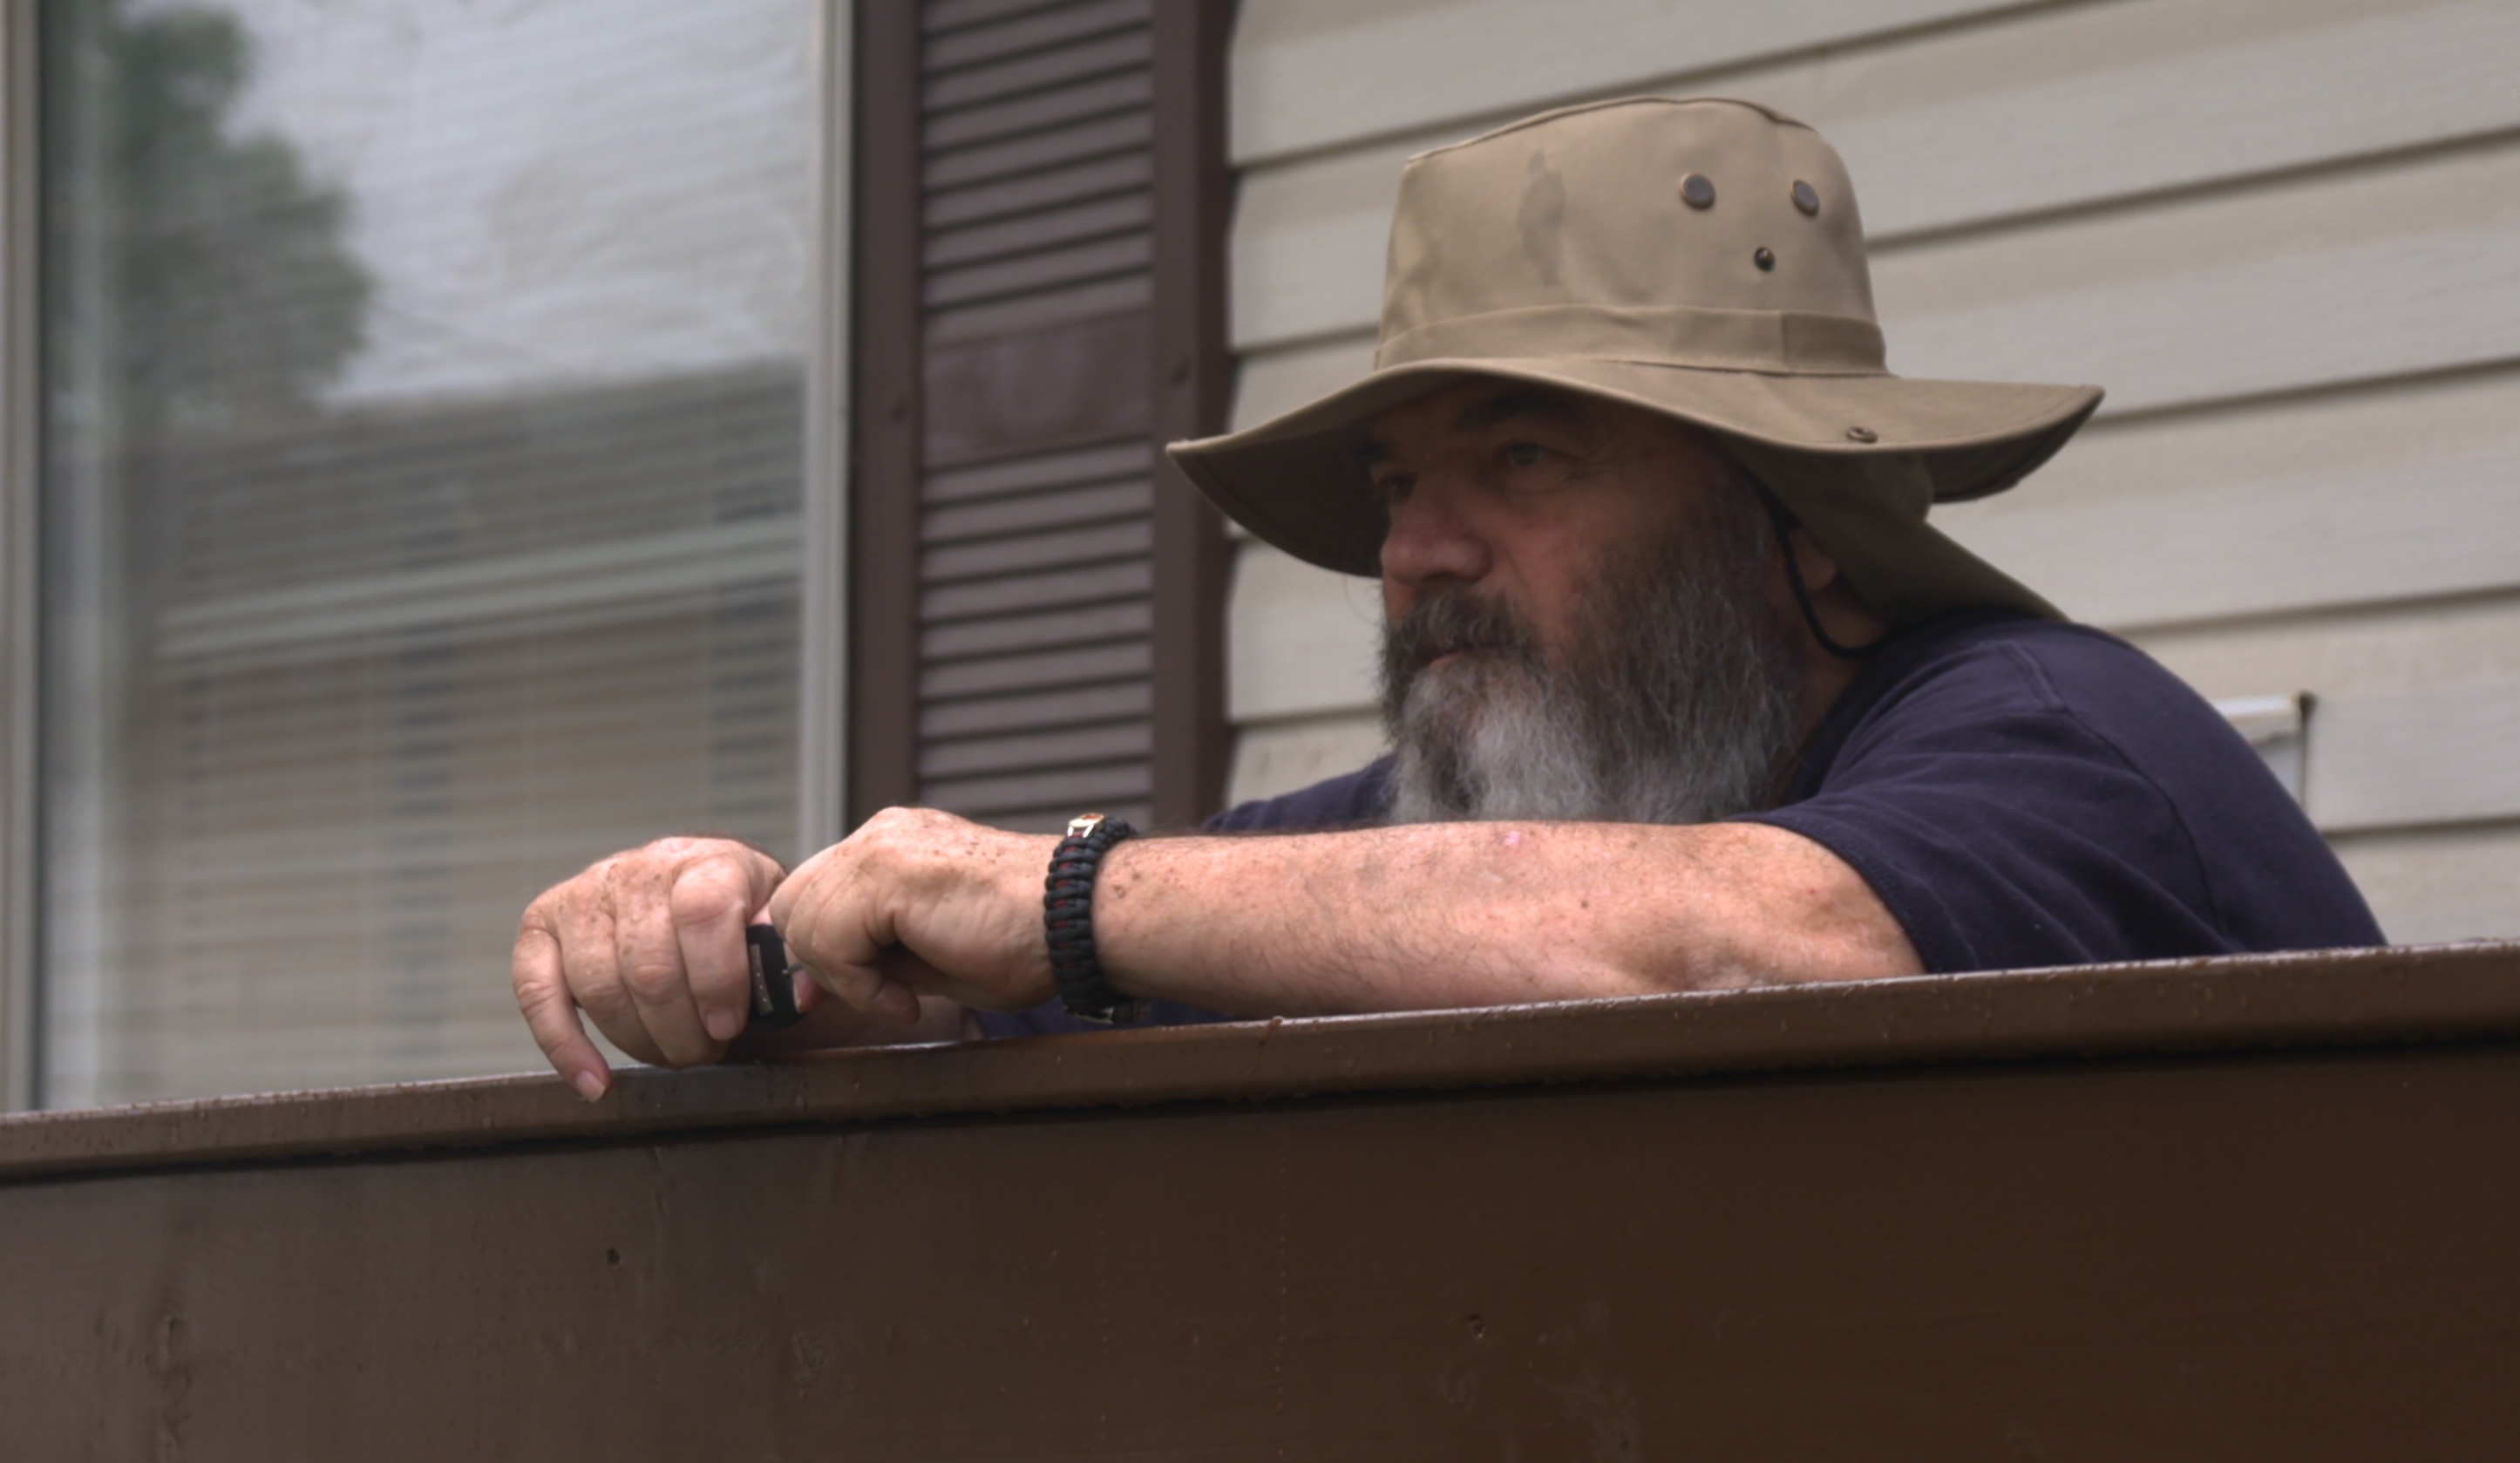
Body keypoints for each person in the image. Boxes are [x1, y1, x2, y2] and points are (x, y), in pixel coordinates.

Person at [513, 97, 2381, 1101]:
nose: (1414, 553)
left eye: (1523, 460)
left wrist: (1056, 887)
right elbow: (982, 1001)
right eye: (1401, 484)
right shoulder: (1480, 829)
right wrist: (714, 949)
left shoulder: (2060, 742)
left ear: (1795, 514)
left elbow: (1760, 938)